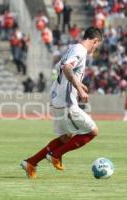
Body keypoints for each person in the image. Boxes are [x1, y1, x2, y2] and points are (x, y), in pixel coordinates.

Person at [20, 27, 102, 179]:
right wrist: (79, 88)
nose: (96, 48)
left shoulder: (73, 48)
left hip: (57, 99)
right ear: (95, 41)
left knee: (65, 137)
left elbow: (63, 68)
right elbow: (66, 67)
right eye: (97, 45)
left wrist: (78, 84)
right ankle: (56, 155)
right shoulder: (80, 51)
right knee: (93, 131)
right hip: (67, 102)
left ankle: (31, 162)